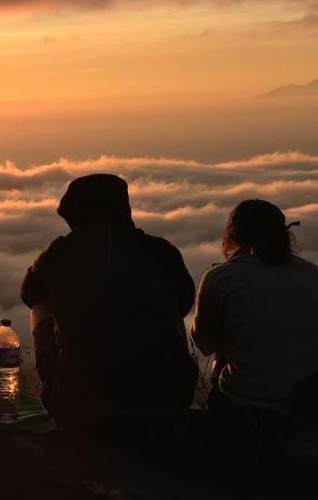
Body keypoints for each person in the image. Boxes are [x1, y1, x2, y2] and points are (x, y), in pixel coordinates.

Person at [20, 174, 198, 429]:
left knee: (41, 303)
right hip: (166, 400)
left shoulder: (59, 253)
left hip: (77, 405)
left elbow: (29, 294)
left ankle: (55, 381)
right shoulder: (162, 252)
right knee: (172, 309)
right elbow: (184, 302)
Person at [192, 199, 318, 410]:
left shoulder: (220, 277)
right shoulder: (315, 274)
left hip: (248, 400)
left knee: (222, 367)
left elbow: (205, 344)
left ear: (232, 236)